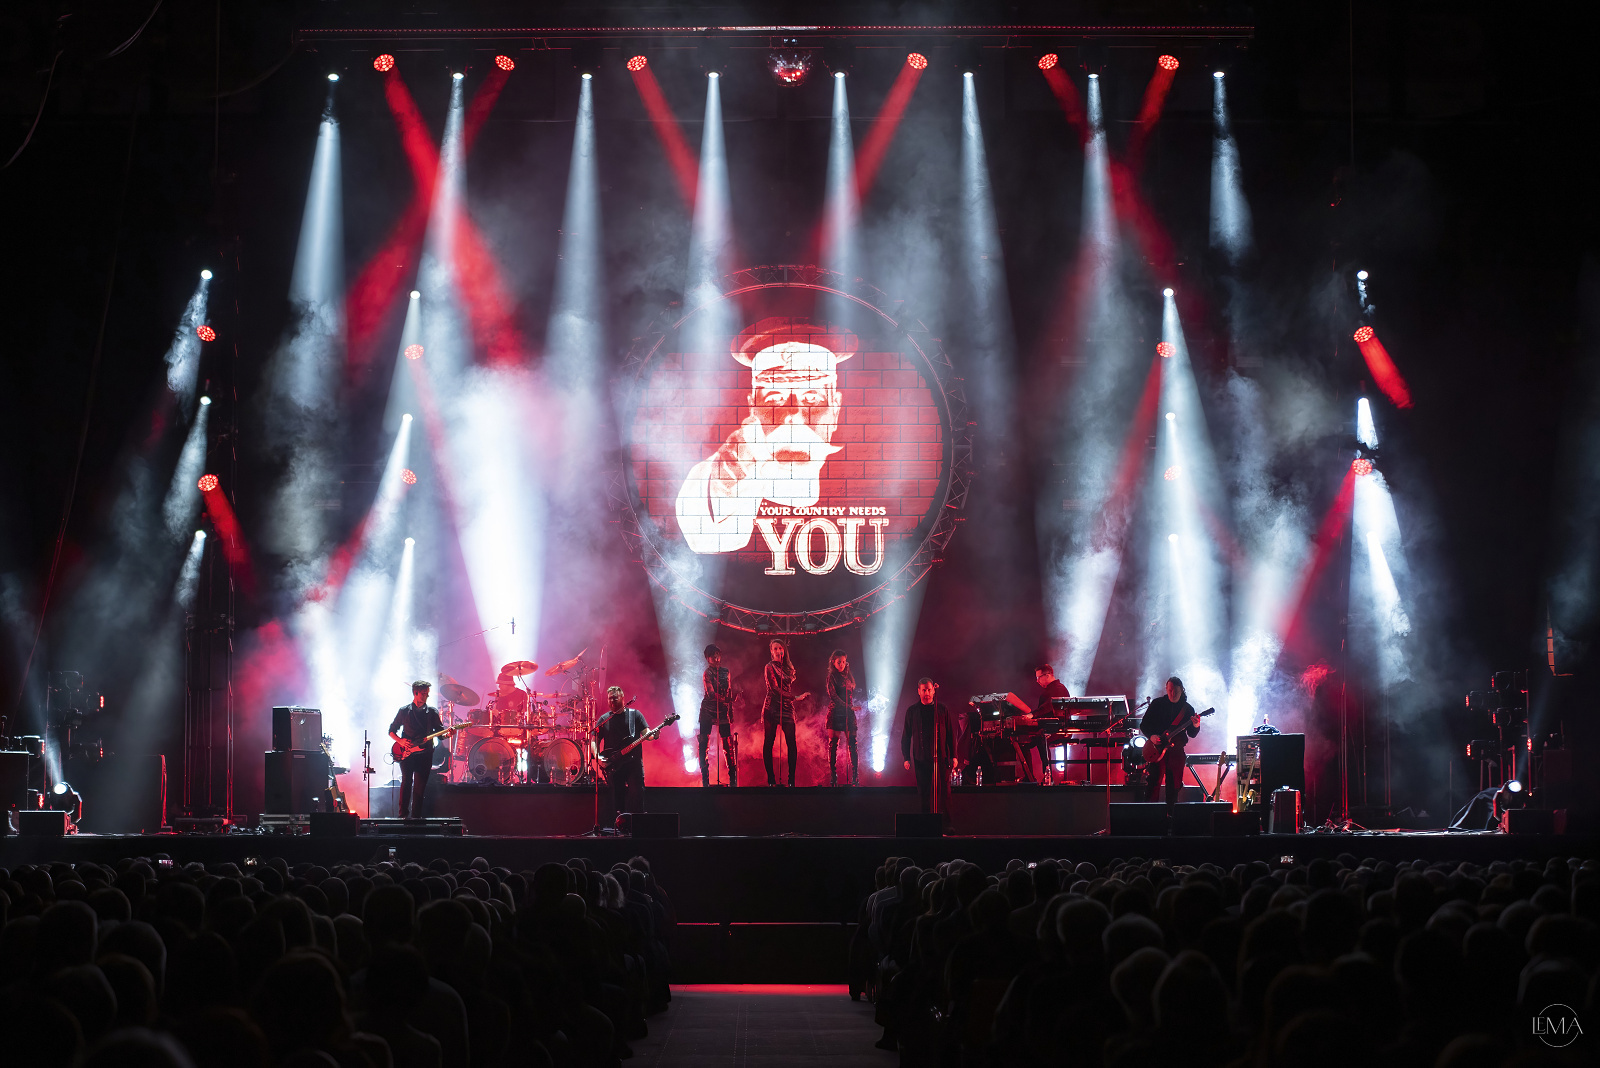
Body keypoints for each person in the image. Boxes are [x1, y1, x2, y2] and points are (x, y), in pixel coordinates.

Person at [675, 317, 858, 554]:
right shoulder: (722, 474)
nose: (793, 415)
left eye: (811, 398)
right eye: (774, 399)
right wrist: (724, 480)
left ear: (835, 411)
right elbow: (705, 533)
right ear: (753, 410)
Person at [1139, 676, 1201, 813]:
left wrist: (1196, 725)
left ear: (1182, 690)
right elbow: (1144, 725)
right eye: (1170, 690)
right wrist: (1152, 736)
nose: (1173, 694)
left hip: (1176, 752)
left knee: (1173, 787)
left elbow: (1192, 734)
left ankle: (1171, 817)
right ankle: (1149, 816)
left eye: (1176, 691)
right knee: (1153, 784)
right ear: (1166, 689)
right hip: (1157, 750)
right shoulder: (1157, 704)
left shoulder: (1187, 709)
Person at [900, 678, 957, 816]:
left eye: (929, 690)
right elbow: (906, 736)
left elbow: (950, 733)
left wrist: (954, 755)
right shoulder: (912, 711)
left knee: (944, 792)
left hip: (941, 757)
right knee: (923, 793)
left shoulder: (942, 709)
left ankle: (946, 823)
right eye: (924, 690)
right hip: (921, 758)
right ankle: (926, 823)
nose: (927, 693)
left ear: (933, 690)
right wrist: (906, 757)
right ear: (918, 691)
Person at [389, 681, 443, 819]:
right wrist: (400, 741)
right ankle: (403, 816)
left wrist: (448, 734)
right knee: (406, 782)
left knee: (420, 787)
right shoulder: (404, 711)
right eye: (423, 694)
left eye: (427, 694)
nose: (426, 696)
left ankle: (416, 818)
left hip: (425, 753)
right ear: (415, 693)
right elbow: (391, 730)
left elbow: (440, 734)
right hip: (407, 752)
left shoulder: (432, 712)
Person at [761, 639, 810, 786]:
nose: (778, 651)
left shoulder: (788, 668)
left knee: (791, 743)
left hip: (787, 707)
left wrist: (792, 699)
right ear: (771, 651)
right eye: (775, 648)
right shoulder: (769, 667)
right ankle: (771, 780)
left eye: (780, 648)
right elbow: (775, 688)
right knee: (769, 742)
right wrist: (795, 697)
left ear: (784, 650)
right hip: (772, 707)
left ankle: (791, 781)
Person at [594, 686, 648, 816]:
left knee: (637, 794)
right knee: (617, 798)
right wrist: (598, 757)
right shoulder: (604, 719)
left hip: (633, 764)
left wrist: (653, 735)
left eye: (615, 698)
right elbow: (594, 741)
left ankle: (637, 824)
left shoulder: (635, 715)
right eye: (609, 698)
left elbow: (647, 733)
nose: (612, 701)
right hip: (614, 765)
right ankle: (619, 824)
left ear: (622, 698)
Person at [698, 644, 737, 787]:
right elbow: (710, 693)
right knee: (704, 743)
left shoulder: (726, 672)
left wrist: (730, 710)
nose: (716, 658)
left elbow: (729, 690)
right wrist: (727, 699)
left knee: (728, 743)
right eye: (713, 656)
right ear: (707, 658)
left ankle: (732, 777)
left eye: (717, 655)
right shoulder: (707, 673)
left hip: (722, 709)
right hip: (708, 710)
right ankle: (705, 778)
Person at [826, 650, 859, 786]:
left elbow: (851, 691)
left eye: (844, 662)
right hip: (836, 711)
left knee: (853, 743)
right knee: (833, 744)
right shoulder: (831, 677)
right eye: (839, 662)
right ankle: (833, 775)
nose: (841, 664)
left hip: (849, 712)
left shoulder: (848, 676)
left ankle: (855, 775)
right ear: (833, 662)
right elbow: (833, 695)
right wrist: (848, 707)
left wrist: (850, 708)